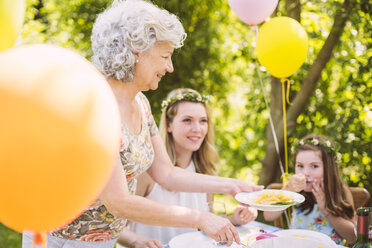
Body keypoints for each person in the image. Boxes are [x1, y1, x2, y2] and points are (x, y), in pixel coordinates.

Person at [22, 1, 262, 247]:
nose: (169, 67)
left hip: (102, 239)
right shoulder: (94, 105)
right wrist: (201, 218)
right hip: (59, 239)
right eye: (165, 56)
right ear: (137, 52)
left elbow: (166, 173)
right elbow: (119, 201)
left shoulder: (141, 102)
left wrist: (232, 185)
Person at [116, 88, 258, 247]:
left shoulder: (205, 171)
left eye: (203, 121)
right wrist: (137, 241)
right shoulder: (149, 170)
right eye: (187, 120)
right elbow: (115, 223)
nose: (197, 129)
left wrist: (234, 219)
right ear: (169, 125)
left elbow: (204, 223)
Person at [263, 135, 356, 245]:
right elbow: (268, 215)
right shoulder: (294, 189)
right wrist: (289, 191)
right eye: (300, 166)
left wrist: (325, 209)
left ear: (328, 168)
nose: (306, 172)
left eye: (314, 166)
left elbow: (352, 238)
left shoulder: (339, 191)